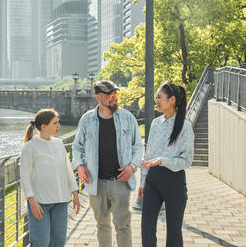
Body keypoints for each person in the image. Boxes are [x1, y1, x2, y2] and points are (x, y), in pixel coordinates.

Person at [72, 80, 144, 247]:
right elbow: (76, 147)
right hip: (96, 184)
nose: (114, 98)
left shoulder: (127, 117)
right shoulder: (87, 119)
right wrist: (80, 166)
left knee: (123, 226)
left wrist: (132, 166)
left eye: (116, 94)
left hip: (121, 182)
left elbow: (138, 146)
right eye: (110, 95)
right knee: (102, 226)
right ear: (98, 97)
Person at [139, 82, 194, 247]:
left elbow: (187, 160)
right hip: (152, 181)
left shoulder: (185, 127)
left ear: (172, 100)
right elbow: (148, 155)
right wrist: (143, 182)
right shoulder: (155, 124)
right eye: (156, 97)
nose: (156, 101)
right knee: (146, 228)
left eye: (159, 97)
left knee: (174, 232)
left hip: (174, 181)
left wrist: (163, 160)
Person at [20, 108, 80, 247]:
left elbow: (67, 170)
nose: (59, 126)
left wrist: (75, 193)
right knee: (41, 242)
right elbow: (25, 177)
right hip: (40, 202)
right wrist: (32, 201)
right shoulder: (30, 147)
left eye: (58, 122)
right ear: (43, 126)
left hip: (61, 201)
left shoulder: (58, 143)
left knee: (58, 242)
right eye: (55, 123)